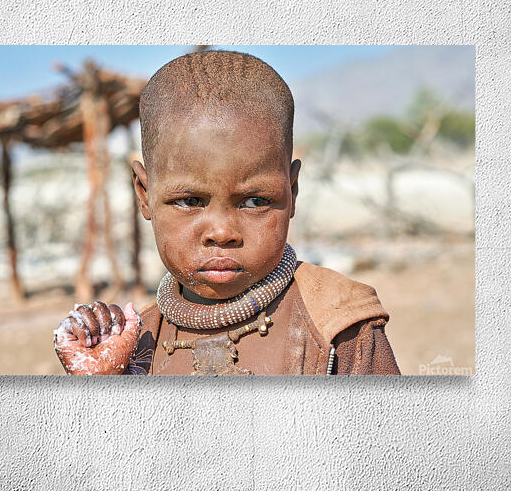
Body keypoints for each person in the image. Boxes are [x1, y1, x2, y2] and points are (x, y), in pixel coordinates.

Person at [53, 50, 400, 376]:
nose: (221, 232)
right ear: (144, 194)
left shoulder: (340, 325)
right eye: (189, 201)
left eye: (254, 201)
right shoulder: (134, 344)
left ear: (291, 191)